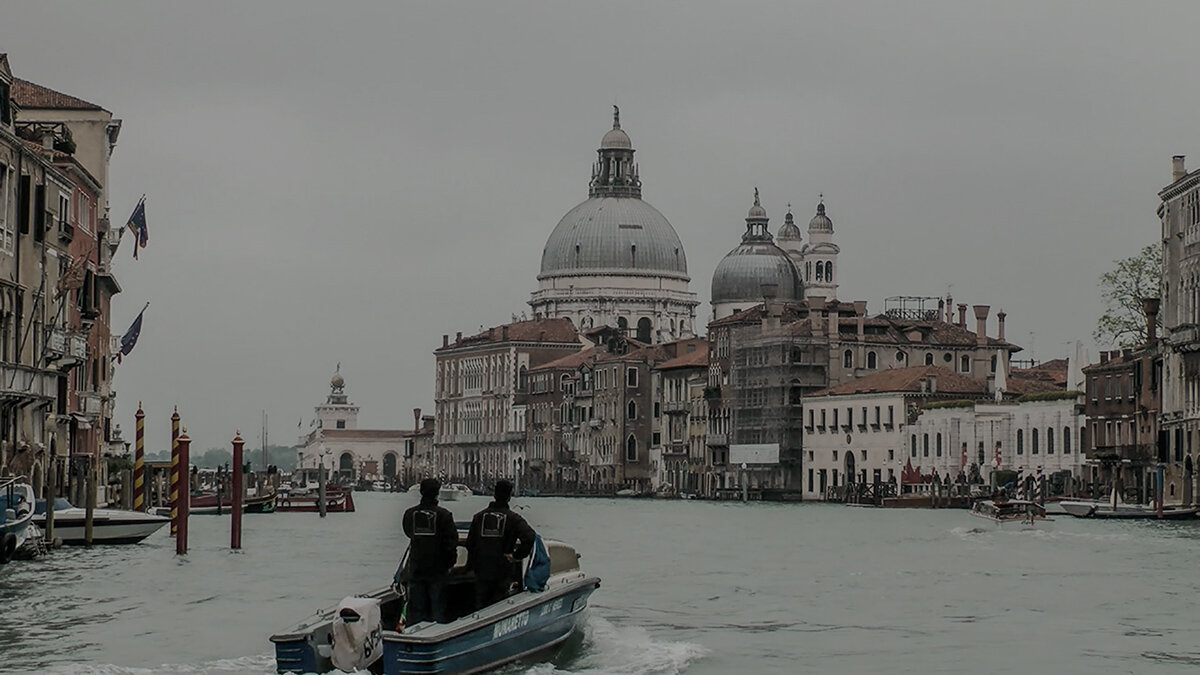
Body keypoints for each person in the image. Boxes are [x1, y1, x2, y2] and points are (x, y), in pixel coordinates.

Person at [466, 479, 535, 610]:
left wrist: (473, 563)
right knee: (498, 605)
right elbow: (530, 537)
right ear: (509, 497)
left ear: (494, 494)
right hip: (502, 569)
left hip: (482, 569)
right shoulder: (513, 518)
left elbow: (470, 544)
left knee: (481, 604)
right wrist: (516, 556)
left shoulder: (478, 517)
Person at [400, 478, 459, 625]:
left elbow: (409, 533)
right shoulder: (444, 515)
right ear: (437, 493)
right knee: (438, 608)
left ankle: (414, 634)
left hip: (416, 568)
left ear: (421, 492)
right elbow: (451, 543)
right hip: (437, 571)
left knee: (417, 610)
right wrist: (450, 564)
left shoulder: (409, 514)